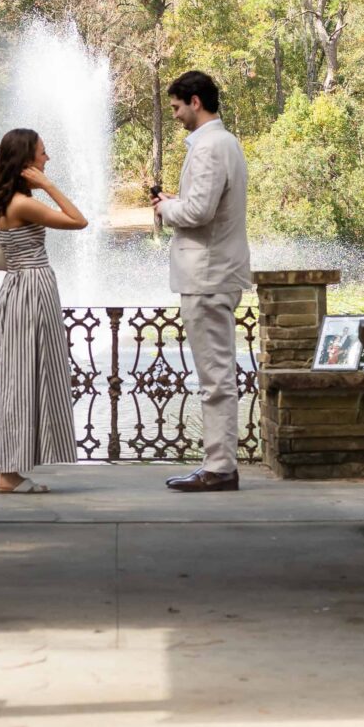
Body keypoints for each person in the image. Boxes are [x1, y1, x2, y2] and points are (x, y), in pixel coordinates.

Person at [150, 70, 250, 492]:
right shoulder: (224, 144)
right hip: (214, 271)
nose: (174, 115)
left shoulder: (210, 146)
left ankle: (220, 467)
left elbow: (198, 213)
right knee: (217, 373)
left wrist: (165, 210)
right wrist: (178, 203)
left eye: (175, 107)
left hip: (207, 275)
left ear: (195, 101)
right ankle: (220, 463)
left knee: (214, 376)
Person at [0, 128, 84, 495]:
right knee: (24, 379)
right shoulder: (23, 203)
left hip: (16, 289)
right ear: (27, 161)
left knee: (11, 380)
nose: (47, 158)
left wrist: (38, 183)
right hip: (32, 288)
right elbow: (78, 220)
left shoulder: (6, 199)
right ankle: (10, 475)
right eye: (42, 154)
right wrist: (49, 185)